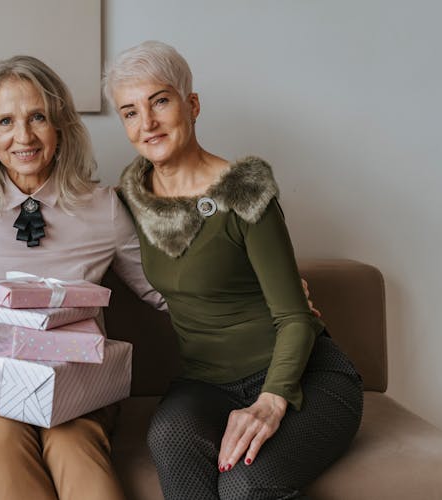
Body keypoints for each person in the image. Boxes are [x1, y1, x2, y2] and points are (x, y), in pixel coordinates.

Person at [104, 40, 364, 499]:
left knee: (244, 485)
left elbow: (295, 317)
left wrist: (270, 400)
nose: (147, 124)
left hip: (306, 377)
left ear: (192, 104)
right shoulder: (129, 200)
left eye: (160, 101)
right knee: (168, 437)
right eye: (129, 111)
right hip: (205, 384)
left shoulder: (244, 194)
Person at [0, 55, 165, 500]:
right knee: (2, 440)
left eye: (37, 118)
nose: (23, 136)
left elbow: (160, 289)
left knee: (73, 444)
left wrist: (262, 305)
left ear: (60, 126)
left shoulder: (102, 207)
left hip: (75, 390)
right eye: (5, 121)